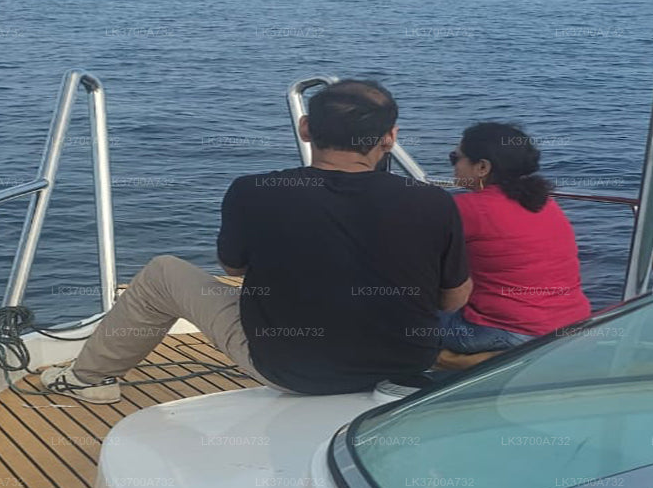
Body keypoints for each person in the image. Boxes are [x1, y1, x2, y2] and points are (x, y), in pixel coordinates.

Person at [39, 79, 472, 403]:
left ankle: (88, 381)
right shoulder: (433, 201)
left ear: (306, 128)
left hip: (292, 371)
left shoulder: (253, 191)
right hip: (406, 366)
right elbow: (452, 299)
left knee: (162, 273)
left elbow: (235, 268)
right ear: (390, 137)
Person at [436, 121, 591, 367]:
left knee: (392, 308)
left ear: (482, 167)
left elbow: (411, 254)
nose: (453, 166)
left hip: (506, 332)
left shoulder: (467, 208)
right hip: (570, 323)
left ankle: (457, 362)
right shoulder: (544, 203)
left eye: (455, 158)